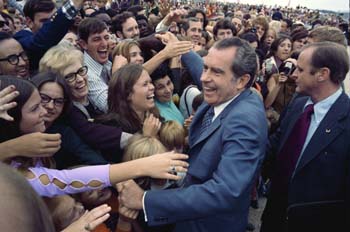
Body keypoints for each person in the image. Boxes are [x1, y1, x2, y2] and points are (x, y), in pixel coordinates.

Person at [117, 37, 268, 232]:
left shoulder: (246, 121)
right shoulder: (226, 91)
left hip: (208, 224)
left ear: (242, 80)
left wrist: (145, 200)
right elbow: (201, 68)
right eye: (206, 68)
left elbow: (225, 192)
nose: (204, 78)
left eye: (216, 71)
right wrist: (178, 44)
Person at [0, 75, 189, 197]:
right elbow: (64, 180)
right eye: (36, 107)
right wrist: (141, 166)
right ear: (11, 118)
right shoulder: (12, 171)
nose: (46, 110)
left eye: (56, 101)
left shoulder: (41, 141)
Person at [261, 42, 350, 232]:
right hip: (274, 216)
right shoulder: (298, 105)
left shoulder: (346, 120)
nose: (294, 75)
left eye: (300, 70)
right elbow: (274, 146)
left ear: (322, 74)